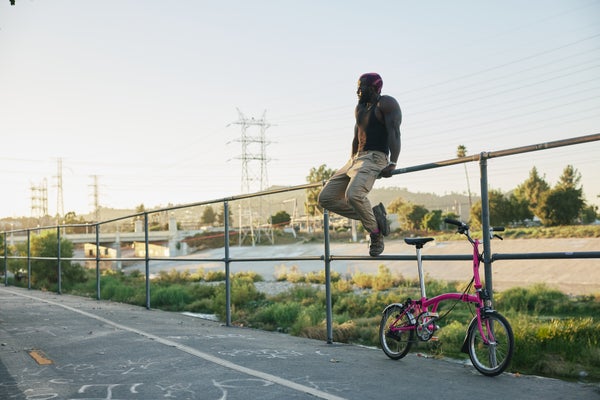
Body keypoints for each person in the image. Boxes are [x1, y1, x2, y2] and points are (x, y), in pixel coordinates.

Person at [318, 72, 401, 256]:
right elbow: (356, 137)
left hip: (375, 157)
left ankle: (376, 233)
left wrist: (393, 162)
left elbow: (395, 132)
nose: (358, 90)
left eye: (361, 87)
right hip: (356, 159)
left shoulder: (386, 104)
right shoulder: (360, 107)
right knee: (325, 198)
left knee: (353, 195)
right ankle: (373, 216)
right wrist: (351, 162)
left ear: (373, 88)